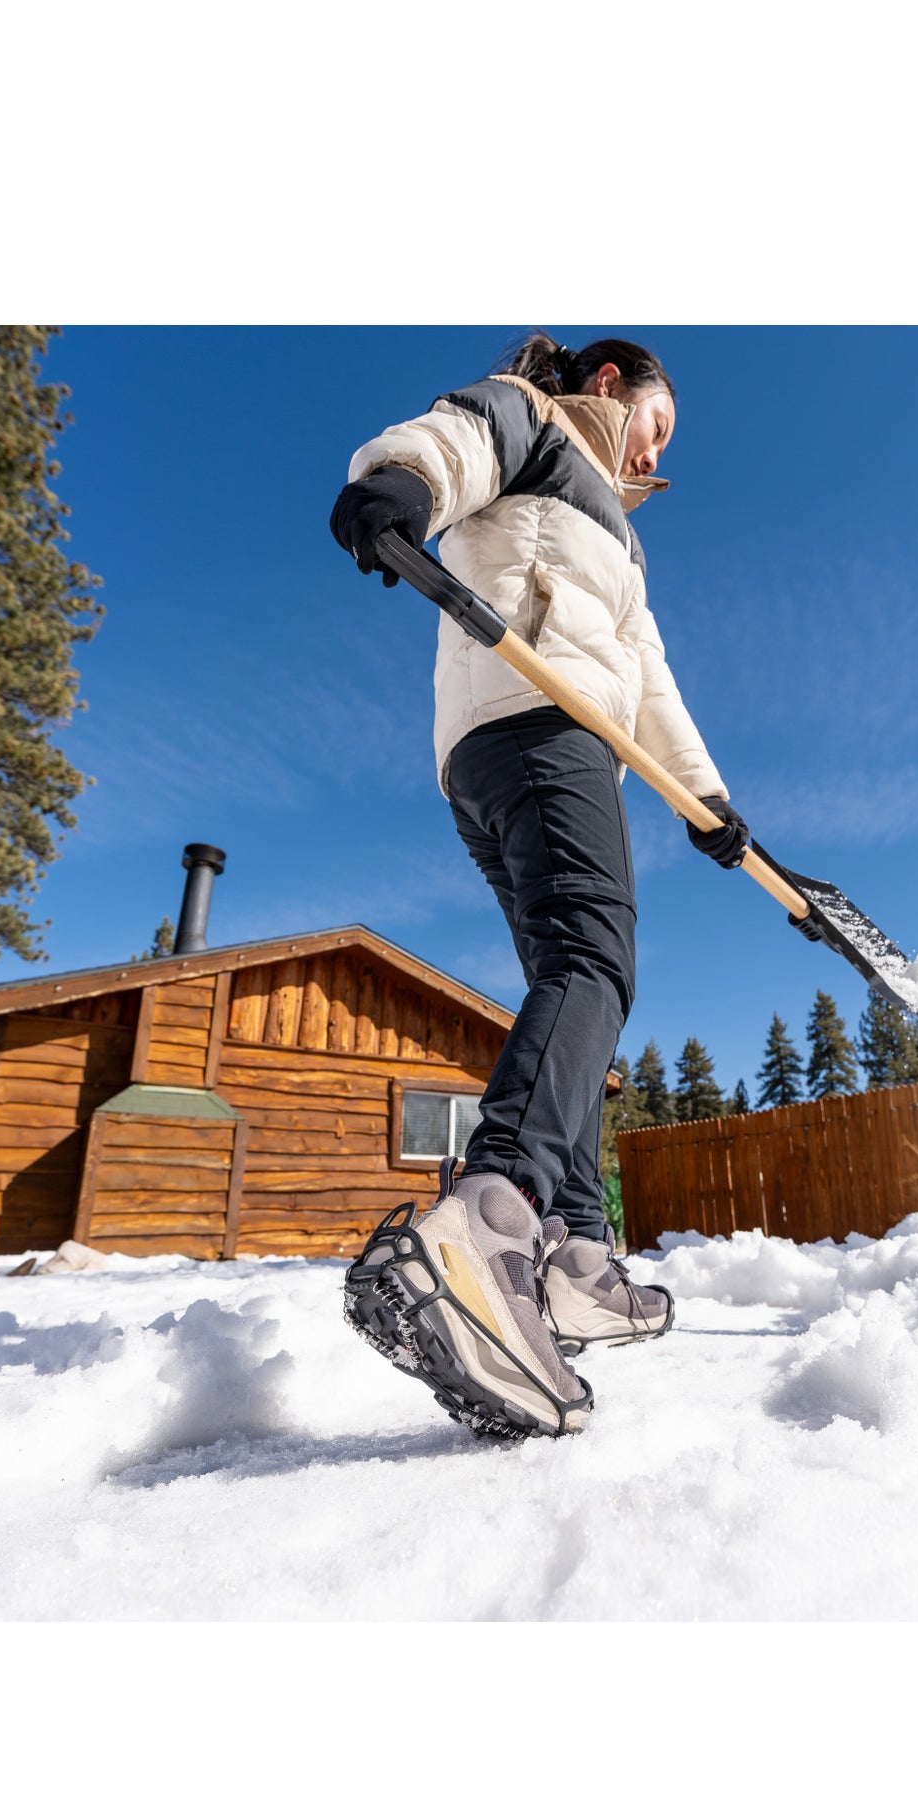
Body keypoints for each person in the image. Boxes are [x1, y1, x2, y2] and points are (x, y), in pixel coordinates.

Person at [330, 333, 749, 1440]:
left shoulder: (616, 540)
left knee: (576, 996)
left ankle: (571, 1255)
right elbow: (449, 437)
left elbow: (647, 679)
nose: (658, 456)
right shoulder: (540, 424)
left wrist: (707, 805)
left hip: (504, 748)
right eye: (659, 426)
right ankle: (490, 1217)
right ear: (612, 387)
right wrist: (399, 486)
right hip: (537, 719)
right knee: (592, 963)